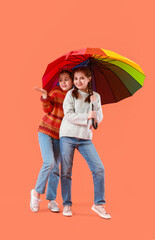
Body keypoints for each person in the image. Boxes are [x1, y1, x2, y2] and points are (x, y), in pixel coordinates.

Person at [59, 66, 111, 219]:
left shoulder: (96, 96)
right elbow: (68, 115)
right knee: (66, 172)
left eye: (82, 78)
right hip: (67, 136)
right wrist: (86, 117)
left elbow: (98, 119)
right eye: (75, 78)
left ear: (89, 79)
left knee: (99, 169)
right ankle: (67, 204)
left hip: (85, 139)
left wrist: (95, 106)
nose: (78, 81)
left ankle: (98, 204)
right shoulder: (70, 94)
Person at [30, 70, 73, 213]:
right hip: (46, 131)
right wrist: (44, 96)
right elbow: (47, 109)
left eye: (66, 79)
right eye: (61, 80)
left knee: (56, 169)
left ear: (72, 80)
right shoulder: (55, 91)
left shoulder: (74, 96)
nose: (63, 82)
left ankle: (51, 200)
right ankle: (36, 193)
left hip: (61, 137)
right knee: (49, 162)